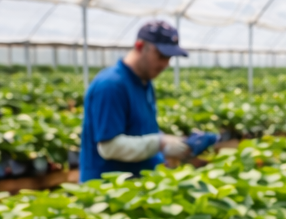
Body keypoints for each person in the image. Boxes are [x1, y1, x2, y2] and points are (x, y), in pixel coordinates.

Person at [79, 20, 216, 182]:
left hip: (138, 183)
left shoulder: (144, 82)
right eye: (161, 56)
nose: (166, 64)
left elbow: (140, 131)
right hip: (108, 192)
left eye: (169, 58)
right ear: (140, 46)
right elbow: (109, 147)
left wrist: (170, 147)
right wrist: (160, 143)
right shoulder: (111, 85)